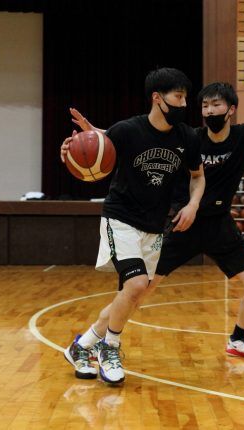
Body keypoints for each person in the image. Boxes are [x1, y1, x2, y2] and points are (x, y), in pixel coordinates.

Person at [74, 63, 244, 361]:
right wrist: (94, 134)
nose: (209, 111)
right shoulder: (190, 138)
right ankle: (94, 339)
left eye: (216, 105)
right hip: (181, 223)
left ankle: (238, 340)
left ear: (231, 109)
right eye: (205, 106)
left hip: (219, 224)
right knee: (139, 291)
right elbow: (131, 137)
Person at [60, 67, 205, 384]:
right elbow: (96, 148)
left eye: (185, 98)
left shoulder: (187, 137)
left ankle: (82, 346)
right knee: (137, 284)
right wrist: (73, 150)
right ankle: (109, 348)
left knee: (134, 294)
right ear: (157, 98)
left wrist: (193, 204)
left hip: (154, 225)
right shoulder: (128, 130)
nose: (184, 104)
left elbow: (197, 176)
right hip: (120, 218)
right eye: (178, 97)